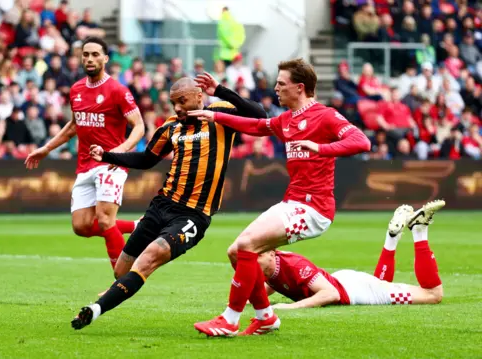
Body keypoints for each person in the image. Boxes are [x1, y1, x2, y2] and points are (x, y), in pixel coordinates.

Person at [70, 74, 268, 331]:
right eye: (173, 103)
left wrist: (219, 90)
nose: (177, 108)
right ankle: (266, 315)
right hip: (161, 205)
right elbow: (147, 160)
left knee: (148, 259)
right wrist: (108, 155)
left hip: (192, 215)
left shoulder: (220, 116)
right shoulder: (171, 126)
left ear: (199, 96)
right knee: (121, 271)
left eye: (182, 101)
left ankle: (95, 310)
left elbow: (260, 113)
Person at [190, 58, 371, 336]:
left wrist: (320, 147)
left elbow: (361, 142)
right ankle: (265, 317)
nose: (275, 88)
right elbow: (256, 126)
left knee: (247, 245)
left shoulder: (326, 115)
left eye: (281, 84)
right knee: (237, 253)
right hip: (292, 203)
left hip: (314, 209)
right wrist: (216, 116)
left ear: (300, 88)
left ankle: (230, 318)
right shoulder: (287, 119)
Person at [25, 37, 144, 271]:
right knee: (81, 226)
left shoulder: (118, 91)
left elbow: (139, 126)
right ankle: (138, 226)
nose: (90, 59)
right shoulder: (76, 90)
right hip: (85, 165)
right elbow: (73, 126)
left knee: (105, 219)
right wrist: (46, 149)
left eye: (95, 54)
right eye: (86, 54)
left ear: (106, 58)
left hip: (110, 164)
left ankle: (122, 281)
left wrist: (119, 152)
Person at [259, 200, 444, 309]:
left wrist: (290, 307)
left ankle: (419, 230)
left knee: (433, 295)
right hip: (346, 282)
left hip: (352, 290)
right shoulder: (273, 268)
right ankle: (391, 238)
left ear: (272, 253)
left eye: (259, 255)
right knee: (381, 286)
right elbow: (277, 283)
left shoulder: (294, 264)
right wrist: (254, 300)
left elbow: (331, 294)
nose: (255, 259)